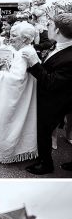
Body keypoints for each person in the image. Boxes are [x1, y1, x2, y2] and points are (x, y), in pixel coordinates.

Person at [23, 12, 72, 174]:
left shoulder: (70, 56)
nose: (46, 27)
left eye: (50, 25)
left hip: (58, 99)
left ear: (57, 30)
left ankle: (45, 164)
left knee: (44, 128)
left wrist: (34, 63)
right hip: (58, 96)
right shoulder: (57, 45)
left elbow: (51, 82)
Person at [0, 22, 38, 164]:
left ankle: (3, 156)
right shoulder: (21, 50)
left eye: (14, 35)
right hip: (12, 94)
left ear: (25, 39)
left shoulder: (25, 53)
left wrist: (0, 73)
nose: (11, 37)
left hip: (12, 96)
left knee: (6, 121)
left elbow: (17, 78)